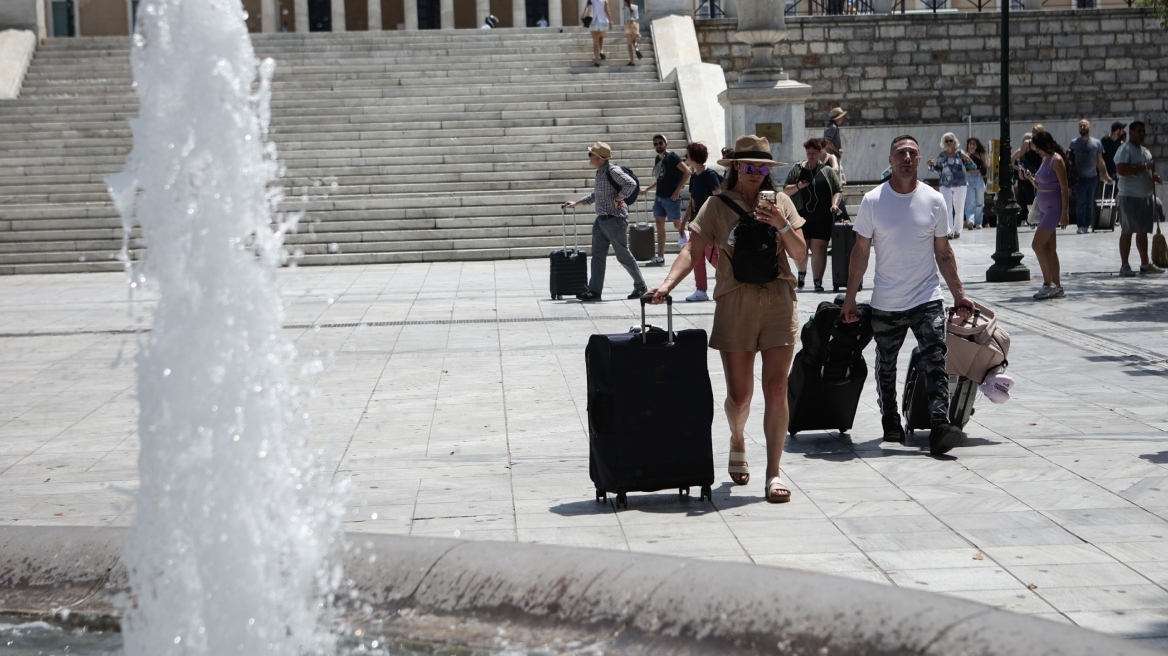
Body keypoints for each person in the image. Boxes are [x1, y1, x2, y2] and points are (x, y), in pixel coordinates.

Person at [647, 135, 807, 503]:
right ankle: (738, 437)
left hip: (779, 299)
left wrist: (781, 223)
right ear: (735, 167)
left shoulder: (781, 201)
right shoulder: (717, 206)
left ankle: (773, 472)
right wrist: (667, 284)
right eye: (748, 167)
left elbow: (800, 255)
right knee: (740, 396)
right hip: (735, 302)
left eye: (762, 167)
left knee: (777, 389)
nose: (756, 174)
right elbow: (693, 249)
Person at [841, 135, 975, 456]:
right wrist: (849, 298)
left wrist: (959, 295)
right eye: (900, 153)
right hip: (886, 302)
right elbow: (860, 252)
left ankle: (940, 424)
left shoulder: (934, 201)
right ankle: (890, 419)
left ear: (919, 160)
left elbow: (943, 252)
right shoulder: (873, 201)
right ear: (890, 160)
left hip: (927, 297)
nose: (906, 157)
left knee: (935, 360)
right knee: (886, 365)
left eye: (912, 153)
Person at [564, 141, 648, 301]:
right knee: (597, 256)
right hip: (601, 220)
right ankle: (594, 291)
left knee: (623, 255)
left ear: (598, 158)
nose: (589, 157)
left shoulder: (612, 170)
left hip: (615, 220)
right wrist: (577, 203)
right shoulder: (600, 173)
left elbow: (631, 183)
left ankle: (641, 286)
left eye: (591, 155)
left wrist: (619, 197)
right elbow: (596, 195)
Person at [783, 137, 843, 293]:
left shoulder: (827, 171)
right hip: (800, 215)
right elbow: (786, 190)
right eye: (808, 152)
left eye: (814, 152)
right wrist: (798, 186)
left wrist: (835, 204)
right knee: (802, 247)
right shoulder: (797, 169)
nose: (811, 155)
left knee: (819, 247)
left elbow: (838, 191)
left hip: (822, 215)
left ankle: (818, 281)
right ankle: (801, 274)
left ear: (820, 152)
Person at [1114, 121, 1165, 277]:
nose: (1142, 134)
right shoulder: (1125, 149)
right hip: (1130, 197)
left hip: (1146, 198)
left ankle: (1145, 264)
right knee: (1128, 231)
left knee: (1143, 232)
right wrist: (1145, 168)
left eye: (1143, 131)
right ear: (1131, 132)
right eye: (1138, 131)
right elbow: (1121, 170)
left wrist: (1154, 176)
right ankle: (1124, 265)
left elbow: (1149, 170)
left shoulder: (1145, 151)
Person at [1025, 131, 1070, 300]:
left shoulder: (1057, 160)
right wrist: (1030, 178)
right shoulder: (1045, 160)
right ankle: (1057, 286)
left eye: (1038, 148)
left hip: (1053, 207)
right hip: (1043, 207)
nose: (1037, 151)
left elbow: (1064, 188)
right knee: (1050, 248)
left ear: (1045, 146)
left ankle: (1047, 284)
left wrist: (1065, 212)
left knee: (1037, 245)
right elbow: (1040, 183)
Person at [678, 142, 723, 302]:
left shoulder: (710, 175)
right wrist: (684, 223)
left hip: (709, 224)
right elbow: (692, 202)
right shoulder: (694, 177)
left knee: (714, 257)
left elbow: (717, 196)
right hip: (696, 224)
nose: (685, 158)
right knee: (697, 258)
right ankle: (700, 290)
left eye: (687, 155)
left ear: (693, 157)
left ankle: (732, 280)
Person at [644, 134, 690, 266]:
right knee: (659, 225)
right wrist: (647, 189)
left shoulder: (672, 157)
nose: (658, 145)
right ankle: (660, 256)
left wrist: (677, 191)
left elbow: (687, 172)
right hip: (659, 197)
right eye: (656, 143)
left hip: (671, 197)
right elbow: (660, 179)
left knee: (678, 225)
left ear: (666, 144)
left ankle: (690, 251)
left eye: (660, 143)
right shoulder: (657, 159)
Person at [1068, 119, 1114, 234]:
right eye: (1080, 126)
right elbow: (1069, 160)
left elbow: (1100, 160)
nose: (1082, 127)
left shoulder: (1096, 143)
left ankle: (1087, 225)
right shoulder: (1074, 143)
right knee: (1081, 201)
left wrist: (1105, 174)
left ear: (1089, 127)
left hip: (1092, 177)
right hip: (1079, 178)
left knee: (1089, 203)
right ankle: (1081, 225)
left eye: (1084, 125)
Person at [927, 133, 971, 239]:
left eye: (950, 140)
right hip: (945, 184)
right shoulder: (942, 156)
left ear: (954, 141)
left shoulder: (960, 153)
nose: (949, 143)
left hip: (960, 184)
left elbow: (971, 166)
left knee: (959, 208)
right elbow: (937, 169)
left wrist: (968, 159)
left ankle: (957, 230)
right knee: (947, 208)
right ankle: (949, 231)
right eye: (946, 141)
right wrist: (929, 165)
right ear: (944, 143)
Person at [1012, 133, 1040, 223]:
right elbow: (1010, 162)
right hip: (1025, 176)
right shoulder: (1020, 151)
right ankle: (1029, 218)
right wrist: (1018, 169)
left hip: (1034, 174)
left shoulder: (1037, 151)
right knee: (1027, 197)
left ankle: (1033, 217)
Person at [964, 138, 988, 230]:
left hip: (978, 177)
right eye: (970, 144)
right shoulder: (965, 154)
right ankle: (970, 220)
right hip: (969, 177)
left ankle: (979, 222)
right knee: (969, 201)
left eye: (974, 144)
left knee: (980, 201)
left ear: (977, 145)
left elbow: (985, 167)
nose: (972, 145)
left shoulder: (980, 154)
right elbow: (964, 162)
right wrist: (969, 153)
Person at [584, 0, 611, 67]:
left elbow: (586, 9)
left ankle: (597, 61)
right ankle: (601, 51)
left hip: (593, 22)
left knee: (595, 43)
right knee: (601, 36)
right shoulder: (605, 0)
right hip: (603, 21)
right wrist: (610, 22)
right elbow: (607, 11)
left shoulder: (590, 0)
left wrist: (583, 19)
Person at [823, 107, 847, 182]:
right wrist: (837, 150)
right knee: (837, 179)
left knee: (840, 179)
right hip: (833, 156)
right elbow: (827, 140)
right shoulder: (833, 127)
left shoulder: (830, 126)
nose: (842, 119)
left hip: (831, 156)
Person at [622, 0, 642, 66]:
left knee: (629, 44)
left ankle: (632, 61)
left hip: (628, 24)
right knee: (634, 40)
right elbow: (637, 17)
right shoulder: (636, 7)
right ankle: (637, 49)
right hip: (635, 24)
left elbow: (625, 16)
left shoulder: (624, 8)